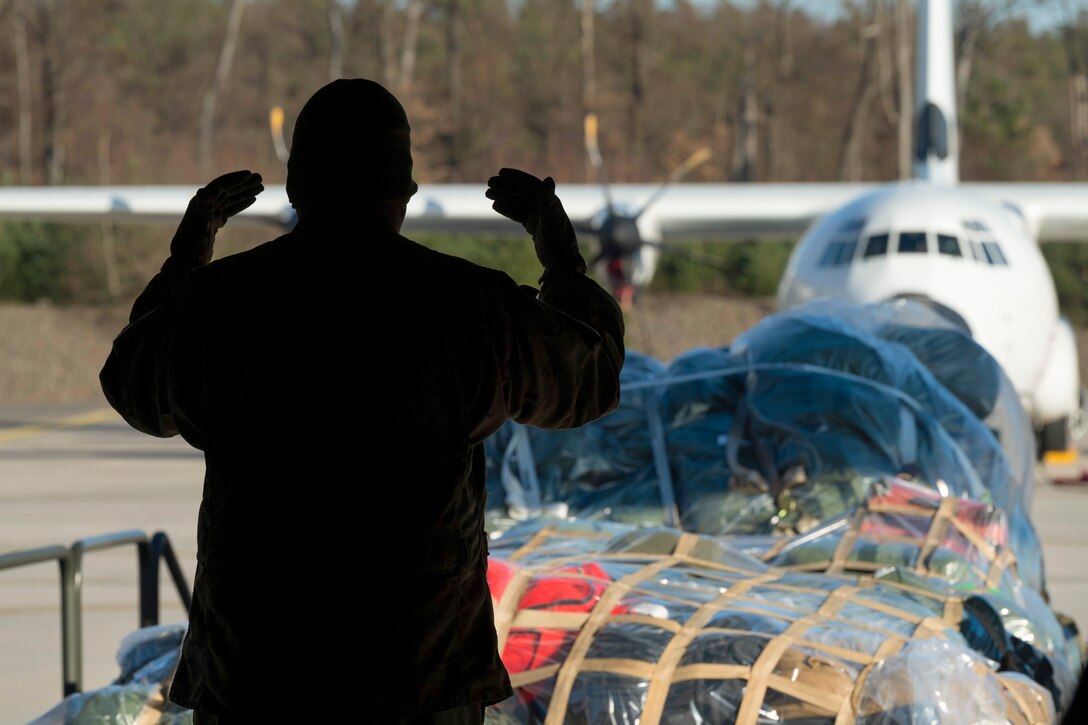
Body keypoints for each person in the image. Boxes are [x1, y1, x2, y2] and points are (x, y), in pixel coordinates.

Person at [99, 78, 625, 723]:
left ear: (296, 190)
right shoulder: (468, 305)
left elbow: (133, 384)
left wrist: (186, 264)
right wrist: (562, 259)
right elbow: (590, 380)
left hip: (257, 675)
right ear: (402, 190)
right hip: (418, 678)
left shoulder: (219, 304)